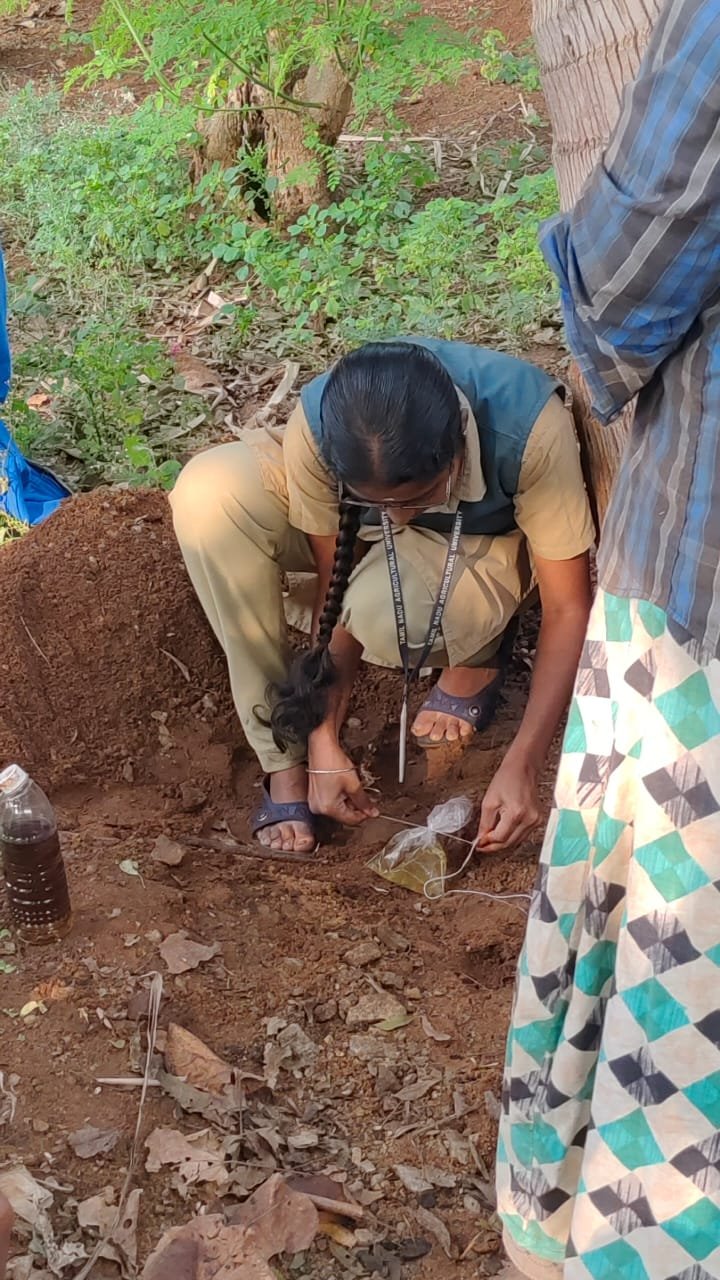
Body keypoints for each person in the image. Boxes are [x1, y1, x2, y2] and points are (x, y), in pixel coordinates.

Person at [496, 3, 720, 1278]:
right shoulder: (305, 462)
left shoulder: (521, 434)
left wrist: (517, 754)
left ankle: (630, 1239)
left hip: (704, 598)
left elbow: (625, 283)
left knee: (668, 963)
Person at [171, 338, 594, 852]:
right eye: (378, 504)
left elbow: (569, 606)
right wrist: (321, 738)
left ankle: (479, 650)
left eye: (416, 498)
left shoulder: (529, 430)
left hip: (480, 537)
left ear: (458, 452)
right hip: (360, 540)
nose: (395, 518)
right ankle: (283, 764)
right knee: (210, 495)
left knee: (389, 616)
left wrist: (522, 762)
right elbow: (336, 588)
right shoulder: (325, 426)